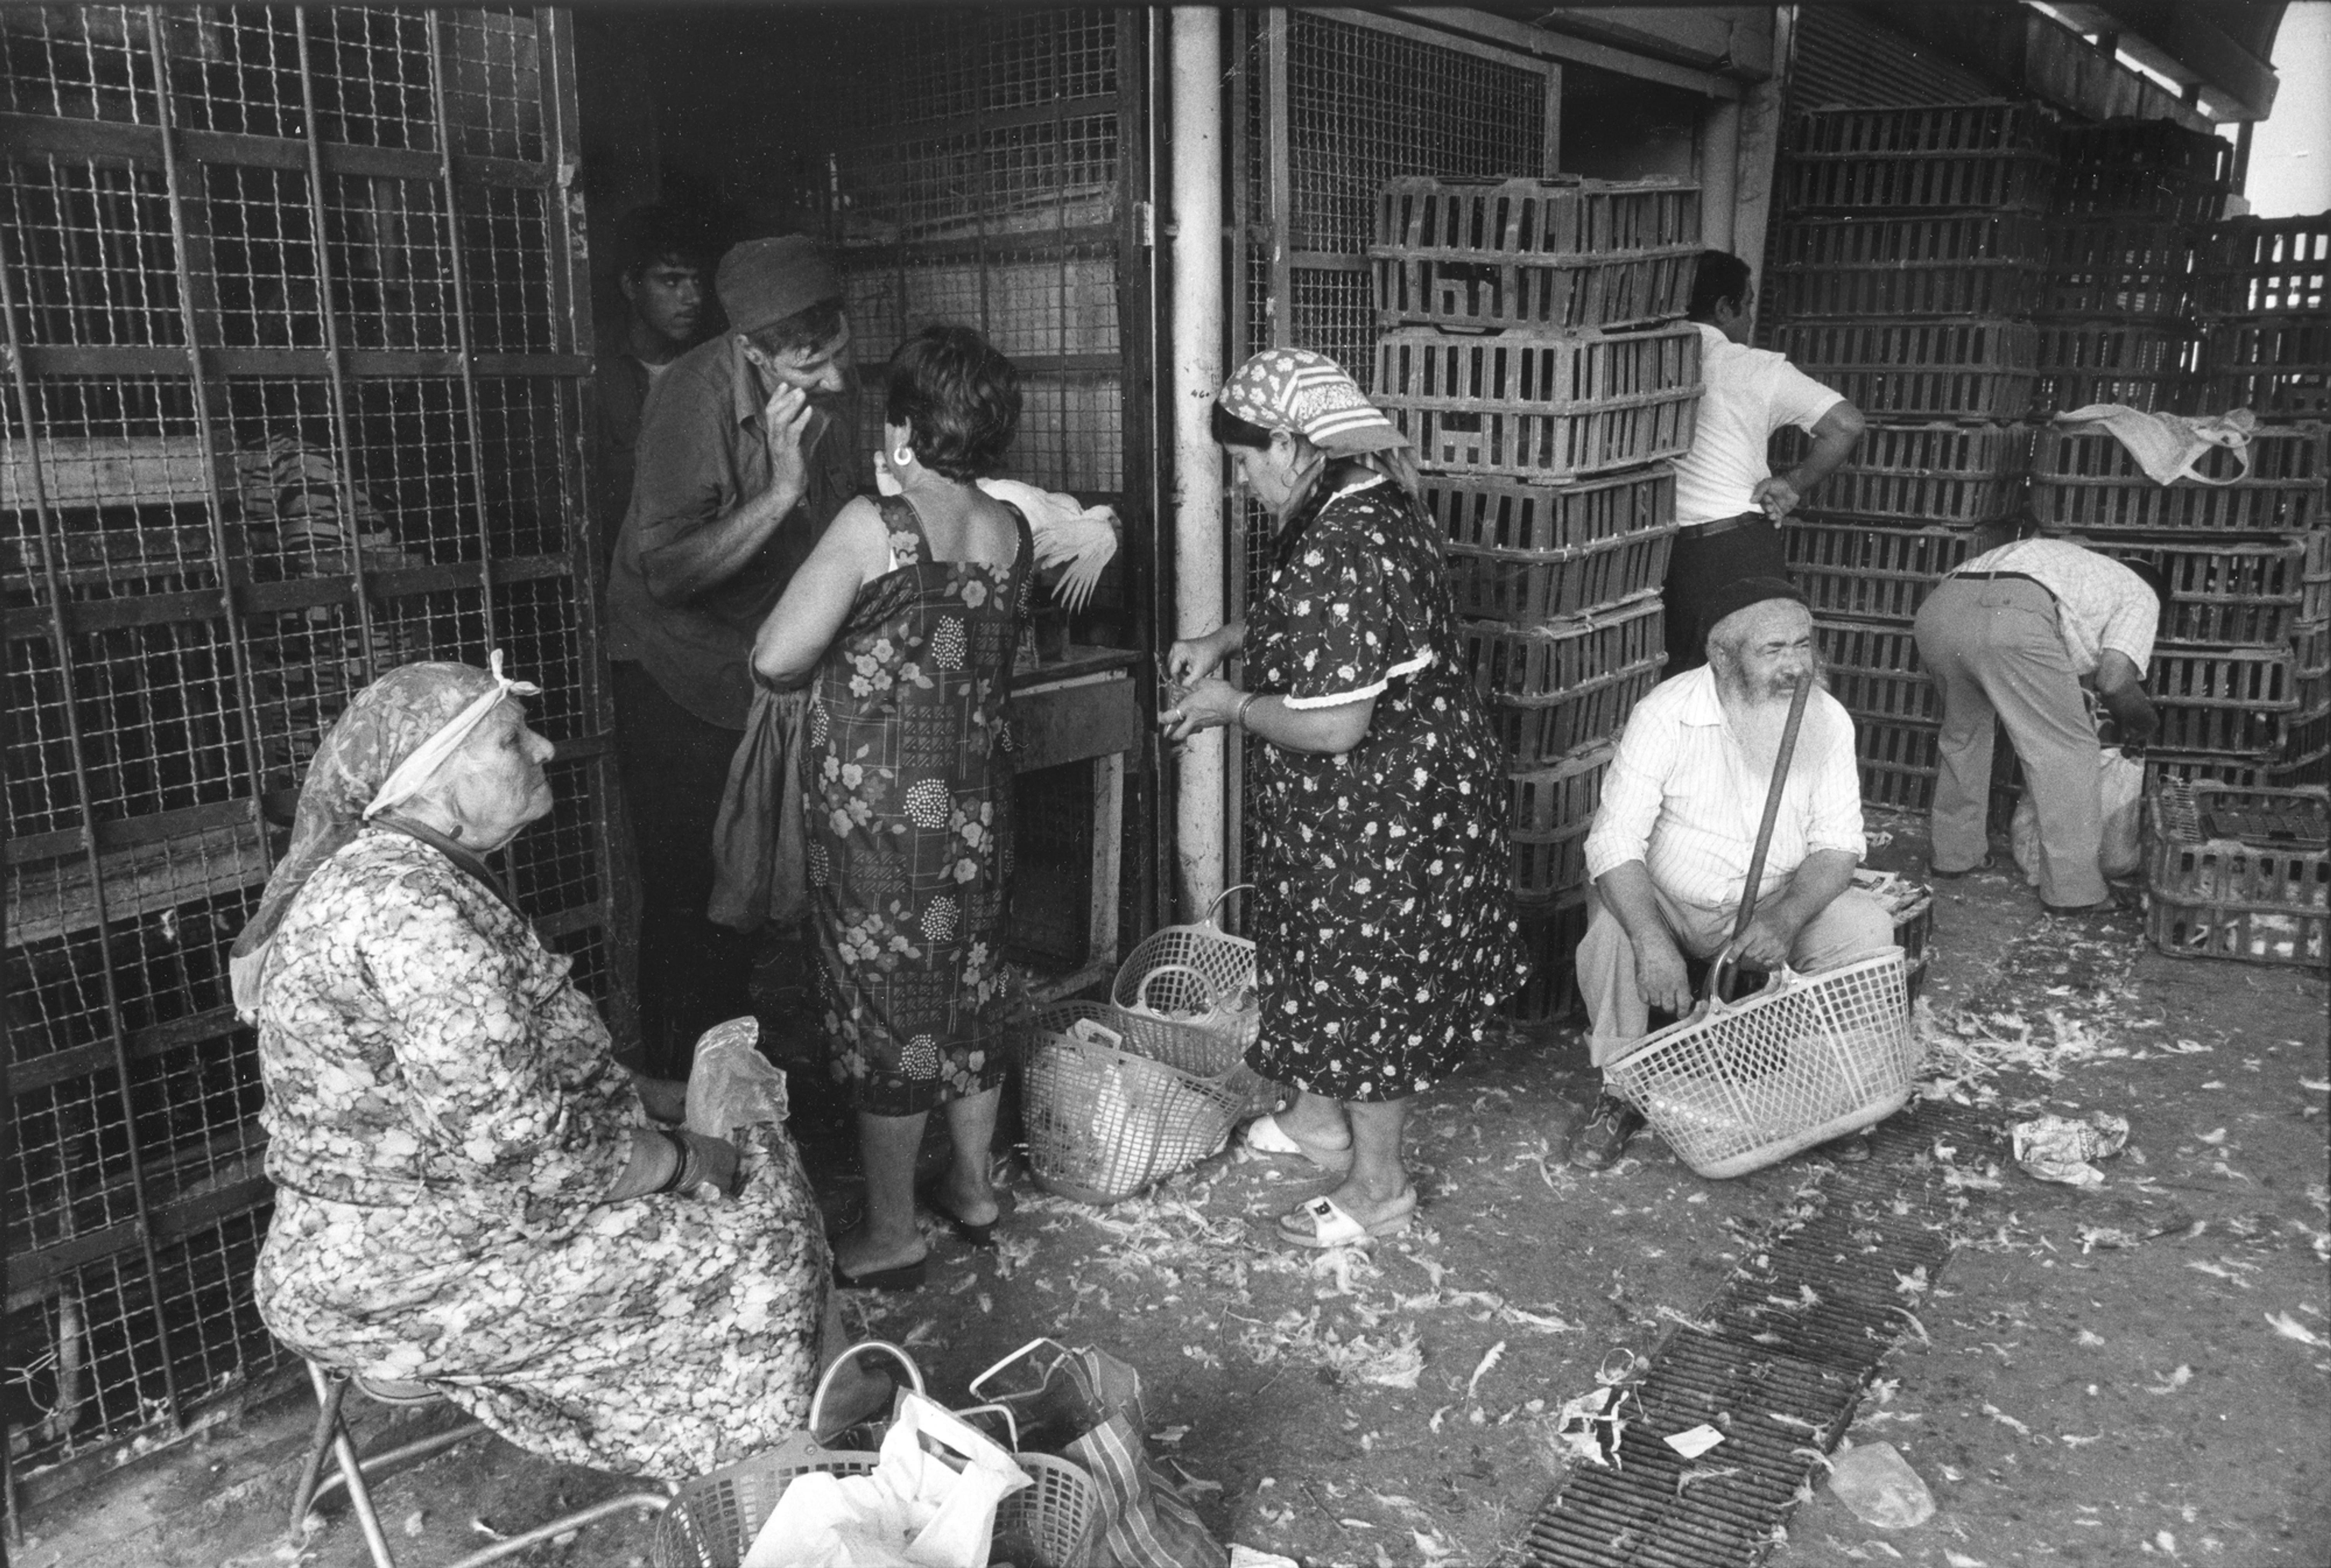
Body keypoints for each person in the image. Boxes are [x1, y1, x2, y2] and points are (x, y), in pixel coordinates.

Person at [234, 658, 877, 1480]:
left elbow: (508, 1077)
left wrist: (656, 1099)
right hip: (395, 1268)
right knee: (749, 1243)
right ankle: (766, 1451)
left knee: (753, 1159)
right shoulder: (410, 918)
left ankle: (791, 1403)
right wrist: (685, 1158)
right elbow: (524, 1157)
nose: (543, 747)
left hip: (448, 1210)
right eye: (510, 741)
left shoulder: (418, 873)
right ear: (433, 790)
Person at [1162, 348, 1526, 1248]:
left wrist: (1228, 704)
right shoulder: (1359, 499)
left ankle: (1378, 1186)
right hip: (1369, 797)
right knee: (1324, 951)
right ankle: (1318, 1118)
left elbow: (1334, 727)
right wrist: (1227, 636)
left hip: (1385, 801)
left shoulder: (1344, 537)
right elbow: (1328, 621)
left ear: (1291, 441)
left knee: (1365, 977)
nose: (1243, 481)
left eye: (1247, 460)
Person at [753, 326, 1034, 1290]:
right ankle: (972, 1185)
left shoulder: (875, 523)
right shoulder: (1008, 529)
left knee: (888, 1008)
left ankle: (889, 1228)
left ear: (904, 426)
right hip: (975, 810)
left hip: (880, 823)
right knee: (970, 990)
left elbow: (776, 656)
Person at [606, 235, 860, 1079]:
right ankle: (689, 1090)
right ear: (750, 350)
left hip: (765, 670)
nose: (831, 381)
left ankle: (752, 1074)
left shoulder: (825, 389)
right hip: (679, 675)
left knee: (759, 887)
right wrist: (782, 491)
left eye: (837, 355)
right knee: (696, 895)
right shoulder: (691, 398)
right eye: (807, 366)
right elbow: (670, 572)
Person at [1570, 580, 1895, 1171]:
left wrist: (1787, 917)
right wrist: (1650, 939)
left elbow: (1839, 845)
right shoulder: (1666, 714)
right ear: (1723, 656)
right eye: (1773, 651)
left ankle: (1828, 1094)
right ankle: (1621, 1089)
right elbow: (1614, 840)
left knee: (1865, 927)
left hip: (1775, 900)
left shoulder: (1828, 719)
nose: (1797, 665)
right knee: (1611, 933)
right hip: (1671, 902)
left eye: (1804, 645)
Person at [1913, 519, 2166, 914]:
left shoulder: (2075, 565)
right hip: (2014, 617)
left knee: (1964, 736)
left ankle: (1954, 856)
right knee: (2068, 750)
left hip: (1940, 608)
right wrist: (2143, 722)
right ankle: (2075, 891)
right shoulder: (2141, 594)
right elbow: (2115, 680)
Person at [1666, 250, 1866, 674]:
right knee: (1760, 680)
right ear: (1724, 308)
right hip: (1740, 550)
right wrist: (1792, 484)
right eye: (1749, 303)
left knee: (1687, 687)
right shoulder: (1754, 368)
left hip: (1672, 557)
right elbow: (1846, 424)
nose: (1751, 317)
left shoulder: (1646, 362)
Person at [588, 202, 717, 575]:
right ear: (631, 286)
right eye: (672, 281)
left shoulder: (712, 368)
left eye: (697, 281)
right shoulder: (594, 373)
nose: (692, 298)